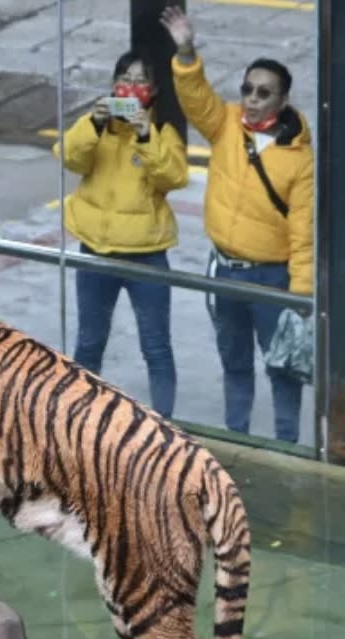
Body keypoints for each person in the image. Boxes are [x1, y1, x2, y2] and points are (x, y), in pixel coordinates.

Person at [160, 6, 314, 443]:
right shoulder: (227, 124)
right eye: (247, 88)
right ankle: (238, 441)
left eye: (263, 92)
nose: (251, 98)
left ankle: (285, 448)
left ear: (282, 101)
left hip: (272, 279)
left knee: (282, 368)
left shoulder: (299, 159)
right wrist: (186, 51)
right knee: (235, 363)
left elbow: (304, 232)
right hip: (225, 270)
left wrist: (300, 296)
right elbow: (194, 97)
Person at [54, 50, 188, 418]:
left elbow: (173, 177)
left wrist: (145, 134)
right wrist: (93, 126)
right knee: (89, 341)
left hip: (147, 253)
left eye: (140, 81)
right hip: (96, 250)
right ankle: (77, 418)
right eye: (124, 79)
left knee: (156, 346)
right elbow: (68, 158)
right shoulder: (98, 125)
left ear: (154, 90)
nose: (131, 88)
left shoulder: (164, 131)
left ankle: (165, 426)